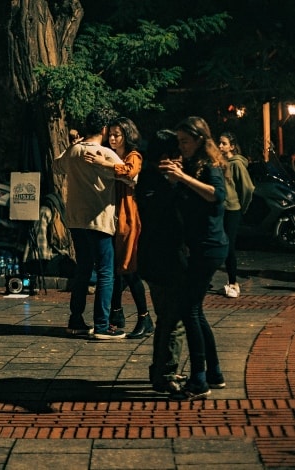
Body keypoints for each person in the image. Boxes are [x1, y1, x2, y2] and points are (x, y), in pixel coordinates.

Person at [160, 116, 228, 401]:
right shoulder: (190, 165)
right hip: (198, 246)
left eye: (186, 141)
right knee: (195, 310)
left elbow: (216, 195)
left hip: (210, 246)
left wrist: (183, 178)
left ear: (200, 140)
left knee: (189, 310)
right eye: (179, 142)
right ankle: (212, 372)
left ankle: (200, 378)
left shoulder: (211, 167)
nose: (182, 146)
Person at [53, 108, 126, 340]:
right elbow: (131, 176)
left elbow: (57, 166)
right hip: (100, 220)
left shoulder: (74, 151)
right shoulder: (105, 153)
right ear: (104, 130)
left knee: (83, 269)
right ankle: (102, 325)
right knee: (106, 271)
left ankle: (76, 319)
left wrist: (72, 145)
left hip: (76, 219)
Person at [87, 117, 152, 339]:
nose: (113, 138)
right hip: (112, 216)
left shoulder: (133, 156)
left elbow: (130, 172)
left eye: (118, 135)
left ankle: (145, 317)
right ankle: (117, 314)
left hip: (127, 216)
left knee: (128, 268)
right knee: (115, 270)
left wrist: (106, 165)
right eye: (111, 134)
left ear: (127, 135)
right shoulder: (110, 154)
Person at [135, 129, 187, 393]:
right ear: (166, 157)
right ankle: (165, 372)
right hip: (165, 261)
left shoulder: (147, 179)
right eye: (177, 155)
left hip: (154, 260)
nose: (181, 160)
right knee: (173, 319)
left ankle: (160, 368)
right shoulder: (156, 183)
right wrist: (176, 184)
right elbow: (168, 220)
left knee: (167, 317)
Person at [218, 131, 254, 298]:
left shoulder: (237, 164)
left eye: (224, 143)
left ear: (231, 146)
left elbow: (247, 188)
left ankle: (233, 282)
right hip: (221, 208)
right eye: (219, 143)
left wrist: (241, 207)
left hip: (232, 209)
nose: (220, 146)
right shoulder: (219, 162)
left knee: (229, 246)